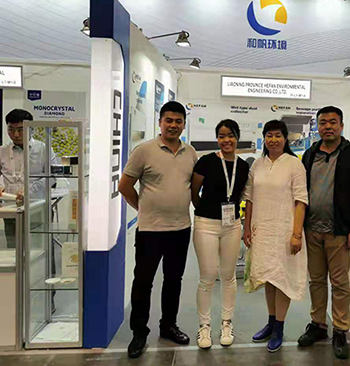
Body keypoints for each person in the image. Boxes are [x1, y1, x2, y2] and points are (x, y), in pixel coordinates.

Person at [118, 101, 198, 359]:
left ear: (183, 124)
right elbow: (124, 186)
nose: (173, 125)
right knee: (143, 282)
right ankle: (139, 332)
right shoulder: (144, 151)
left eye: (178, 121)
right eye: (168, 120)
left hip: (180, 228)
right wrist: (141, 207)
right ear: (160, 122)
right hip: (150, 230)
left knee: (174, 281)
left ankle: (168, 326)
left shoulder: (190, 153)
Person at [297, 106, 350, 360]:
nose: (328, 126)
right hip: (312, 230)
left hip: (339, 232)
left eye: (332, 122)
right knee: (316, 281)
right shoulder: (310, 154)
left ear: (341, 125)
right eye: (323, 123)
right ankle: (318, 324)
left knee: (339, 283)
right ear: (317, 126)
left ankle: (340, 330)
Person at [243, 120, 308, 353]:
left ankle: (279, 326)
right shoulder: (257, 164)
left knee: (282, 279)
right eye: (269, 135)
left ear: (285, 138)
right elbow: (249, 199)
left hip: (285, 231)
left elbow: (301, 200)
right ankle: (270, 323)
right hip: (262, 231)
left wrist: (296, 234)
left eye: (278, 135)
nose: (273, 140)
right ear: (264, 138)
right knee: (268, 278)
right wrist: (246, 228)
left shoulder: (294, 164)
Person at [191, 119, 250, 349]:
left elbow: (242, 194)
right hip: (206, 224)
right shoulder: (206, 161)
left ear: (237, 138)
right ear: (217, 139)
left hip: (232, 226)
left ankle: (227, 323)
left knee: (228, 276)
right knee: (207, 277)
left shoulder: (243, 166)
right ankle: (204, 326)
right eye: (222, 136)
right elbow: (194, 192)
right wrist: (204, 211)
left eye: (231, 135)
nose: (227, 140)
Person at [0, 109, 57, 248]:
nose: (15, 134)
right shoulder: (2, 151)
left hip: (37, 207)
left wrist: (29, 190)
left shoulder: (44, 149)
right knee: (14, 249)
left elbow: (53, 177)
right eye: (11, 130)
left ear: (31, 129)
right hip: (11, 209)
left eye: (20, 130)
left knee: (40, 249)